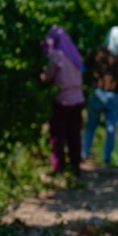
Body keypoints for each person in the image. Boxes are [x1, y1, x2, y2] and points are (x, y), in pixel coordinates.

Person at [82, 26, 118, 166]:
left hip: (97, 93)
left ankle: (84, 153)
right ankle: (106, 159)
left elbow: (83, 66)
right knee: (110, 128)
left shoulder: (98, 52)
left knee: (91, 125)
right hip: (114, 96)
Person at [40, 25, 85, 176]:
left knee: (58, 136)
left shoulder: (56, 55)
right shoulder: (74, 54)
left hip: (62, 101)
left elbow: (48, 76)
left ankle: (59, 168)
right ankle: (75, 166)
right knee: (74, 134)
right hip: (78, 99)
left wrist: (41, 76)